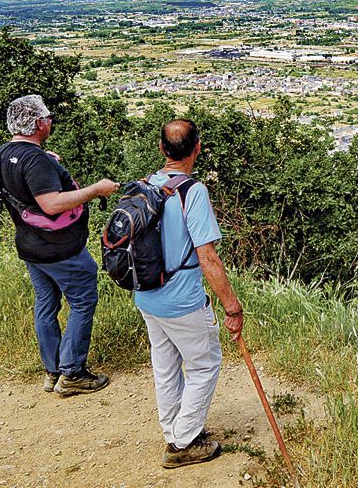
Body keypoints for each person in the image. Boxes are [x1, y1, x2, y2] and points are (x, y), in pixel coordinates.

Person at [0, 94, 120, 396]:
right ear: (37, 123)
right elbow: (50, 204)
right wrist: (96, 190)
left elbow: (21, 183)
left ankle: (52, 371)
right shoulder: (35, 160)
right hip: (60, 248)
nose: (50, 121)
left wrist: (47, 163)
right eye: (47, 118)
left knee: (46, 306)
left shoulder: (1, 155)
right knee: (82, 301)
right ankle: (73, 373)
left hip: (30, 246)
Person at [135, 118, 244, 469]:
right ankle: (182, 442)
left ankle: (174, 431)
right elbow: (207, 257)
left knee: (165, 366)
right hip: (181, 300)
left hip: (147, 295)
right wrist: (232, 305)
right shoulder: (191, 191)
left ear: (161, 150)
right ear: (197, 149)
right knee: (204, 364)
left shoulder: (146, 185)